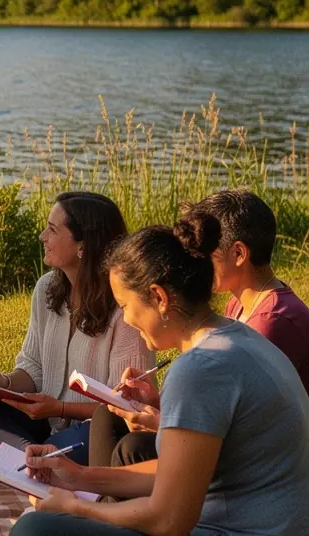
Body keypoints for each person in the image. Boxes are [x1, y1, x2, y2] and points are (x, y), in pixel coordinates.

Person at [0, 215, 309, 536]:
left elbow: (170, 520)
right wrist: (78, 477)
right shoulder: (236, 338)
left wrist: (78, 509)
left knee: (34, 535)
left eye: (124, 306)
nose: (127, 320)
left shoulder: (201, 367)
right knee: (63, 522)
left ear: (158, 297)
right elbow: (177, 472)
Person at [88, 189, 309, 468]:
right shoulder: (238, 306)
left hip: (258, 464)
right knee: (108, 417)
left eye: (203, 253)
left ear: (238, 253)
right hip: (235, 447)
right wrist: (158, 404)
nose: (194, 264)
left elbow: (240, 432)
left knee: (132, 449)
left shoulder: (271, 322)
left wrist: (159, 421)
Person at [0, 192, 154, 472]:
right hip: (43, 422)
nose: (42, 236)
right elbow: (33, 368)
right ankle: (37, 462)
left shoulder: (125, 309)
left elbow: (126, 407)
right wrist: (2, 383)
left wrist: (60, 409)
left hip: (93, 430)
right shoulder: (46, 289)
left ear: (83, 245)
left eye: (52, 230)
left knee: (89, 440)